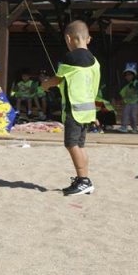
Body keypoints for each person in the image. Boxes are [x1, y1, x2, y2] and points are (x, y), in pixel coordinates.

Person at [52, 20, 101, 196]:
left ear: (68, 38)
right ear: (88, 39)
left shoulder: (70, 58)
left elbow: (56, 80)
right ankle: (84, 179)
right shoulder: (95, 61)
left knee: (71, 144)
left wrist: (45, 84)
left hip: (74, 110)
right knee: (80, 145)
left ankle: (84, 181)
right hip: (88, 110)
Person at [118, 67, 138, 133]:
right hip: (128, 103)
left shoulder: (136, 83)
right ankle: (124, 127)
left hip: (135, 102)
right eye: (126, 75)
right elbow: (122, 93)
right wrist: (123, 99)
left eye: (129, 75)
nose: (127, 76)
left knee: (133, 115)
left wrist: (135, 86)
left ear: (134, 76)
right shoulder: (127, 85)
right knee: (125, 114)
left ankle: (135, 128)